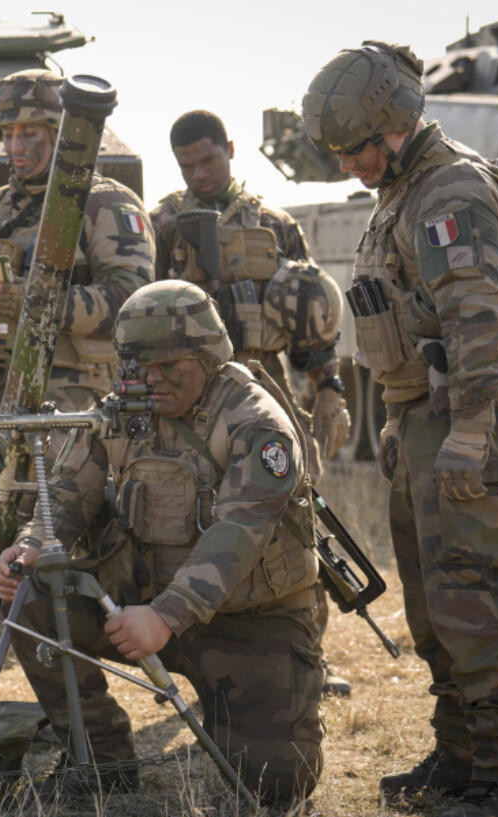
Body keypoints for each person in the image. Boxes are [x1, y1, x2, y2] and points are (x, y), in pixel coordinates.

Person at [302, 41, 498, 817]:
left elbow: (479, 327)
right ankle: (462, 756)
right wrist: (403, 416)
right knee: (433, 603)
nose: (347, 165)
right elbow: (411, 323)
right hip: (430, 417)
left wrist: (468, 433)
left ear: (391, 125)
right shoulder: (402, 192)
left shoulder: (448, 193)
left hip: (481, 417)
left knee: (472, 597)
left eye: (353, 149)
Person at [0, 280, 325, 810]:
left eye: (170, 366)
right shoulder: (124, 408)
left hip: (245, 622)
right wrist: (32, 544)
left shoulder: (256, 424)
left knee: (274, 785)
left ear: (209, 357)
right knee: (34, 600)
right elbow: (68, 493)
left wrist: (166, 615)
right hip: (136, 606)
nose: (152, 380)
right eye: (139, 367)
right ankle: (102, 760)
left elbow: (238, 534)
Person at [151, 109, 352, 695]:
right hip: (194, 402)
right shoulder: (164, 223)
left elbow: (313, 320)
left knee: (297, 521)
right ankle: (197, 655)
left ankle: (307, 655)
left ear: (231, 150)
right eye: (188, 165)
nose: (200, 173)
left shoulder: (276, 225)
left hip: (270, 392)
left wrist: (331, 391)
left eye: (208, 160)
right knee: (193, 523)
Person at [0, 69, 155, 411]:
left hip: (76, 404)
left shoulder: (105, 204)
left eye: (29, 134)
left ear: (59, 133)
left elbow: (131, 300)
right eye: (7, 134)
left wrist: (35, 302)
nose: (15, 147)